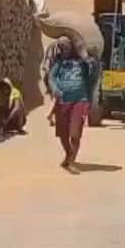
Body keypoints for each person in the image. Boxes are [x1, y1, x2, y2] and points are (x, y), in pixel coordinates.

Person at [47, 36, 98, 173]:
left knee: (75, 134)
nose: (64, 49)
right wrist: (55, 89)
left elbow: (93, 73)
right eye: (62, 47)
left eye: (67, 46)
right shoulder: (58, 62)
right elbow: (51, 77)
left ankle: (71, 162)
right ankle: (69, 154)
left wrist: (87, 59)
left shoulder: (82, 62)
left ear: (72, 46)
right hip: (63, 101)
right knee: (63, 134)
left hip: (80, 100)